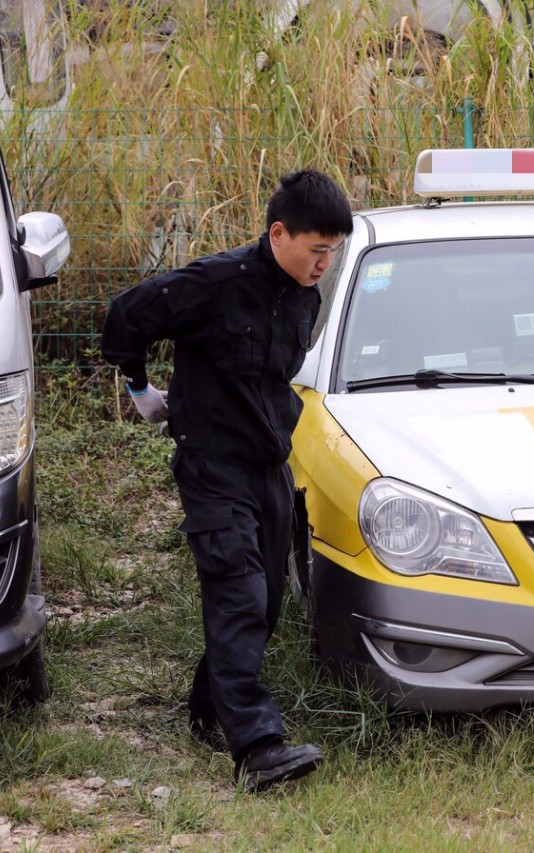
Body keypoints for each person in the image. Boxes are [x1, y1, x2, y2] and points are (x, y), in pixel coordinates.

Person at [101, 169, 353, 792]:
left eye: (334, 252)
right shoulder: (213, 284)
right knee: (238, 594)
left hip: (268, 466)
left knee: (263, 603)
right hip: (212, 465)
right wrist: (140, 388)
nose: (325, 264)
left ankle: (209, 708)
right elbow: (124, 316)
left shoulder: (305, 298)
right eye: (317, 249)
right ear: (279, 233)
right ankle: (258, 747)